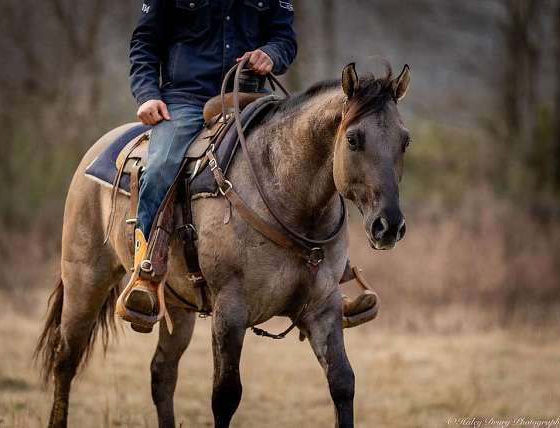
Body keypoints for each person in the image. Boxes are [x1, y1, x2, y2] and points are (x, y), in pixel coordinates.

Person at [120, 0, 377, 332]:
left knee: (309, 159)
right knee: (160, 167)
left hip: (250, 97)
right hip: (186, 100)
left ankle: (329, 281)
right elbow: (145, 42)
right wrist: (146, 95)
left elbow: (284, 38)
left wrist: (271, 53)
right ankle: (147, 271)